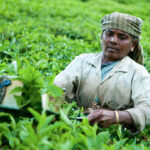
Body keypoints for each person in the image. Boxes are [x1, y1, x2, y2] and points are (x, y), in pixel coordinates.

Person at [54, 12, 150, 133]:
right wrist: (51, 109)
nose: (113, 40)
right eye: (109, 34)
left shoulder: (138, 73)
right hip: (76, 131)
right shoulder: (82, 61)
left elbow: (146, 109)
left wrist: (116, 117)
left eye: (122, 37)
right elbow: (57, 86)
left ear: (133, 45)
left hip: (113, 138)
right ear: (101, 37)